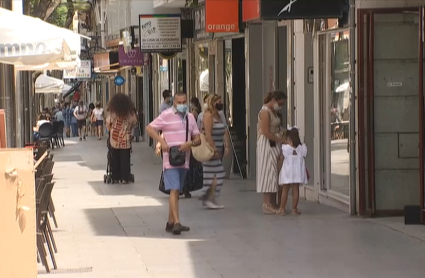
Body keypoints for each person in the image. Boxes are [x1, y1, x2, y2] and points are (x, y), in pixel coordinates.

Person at [146, 92, 201, 235]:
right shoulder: (166, 115)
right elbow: (149, 128)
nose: (182, 105)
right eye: (179, 102)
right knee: (175, 189)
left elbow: (198, 139)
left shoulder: (190, 118)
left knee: (176, 192)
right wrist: (162, 141)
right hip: (170, 159)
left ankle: (170, 222)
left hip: (185, 159)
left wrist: (190, 143)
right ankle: (177, 223)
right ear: (174, 102)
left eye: (184, 102)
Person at [256, 91, 287, 214]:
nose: (280, 106)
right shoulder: (265, 112)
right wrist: (280, 139)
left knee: (274, 172)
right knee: (267, 172)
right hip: (267, 144)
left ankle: (273, 202)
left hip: (275, 143)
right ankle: (267, 203)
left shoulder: (273, 112)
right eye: (280, 103)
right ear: (273, 99)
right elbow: (265, 131)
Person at [200, 94, 231, 209]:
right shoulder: (208, 116)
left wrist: (226, 145)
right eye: (218, 101)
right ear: (212, 103)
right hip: (210, 149)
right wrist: (214, 149)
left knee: (215, 174)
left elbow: (225, 129)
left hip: (218, 148)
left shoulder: (219, 115)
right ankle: (208, 197)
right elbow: (207, 133)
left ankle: (210, 198)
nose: (221, 103)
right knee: (215, 174)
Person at [106, 93, 137, 183]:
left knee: (114, 158)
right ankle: (125, 177)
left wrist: (111, 130)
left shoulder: (113, 113)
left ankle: (115, 176)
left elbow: (108, 123)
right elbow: (134, 123)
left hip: (114, 140)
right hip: (125, 140)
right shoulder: (130, 114)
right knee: (125, 159)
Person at [278, 127, 307, 215]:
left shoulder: (285, 148)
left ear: (289, 138)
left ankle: (282, 208)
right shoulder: (302, 148)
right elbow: (304, 156)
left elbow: (281, 158)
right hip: (298, 171)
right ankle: (294, 209)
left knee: (285, 189)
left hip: (288, 171)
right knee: (296, 189)